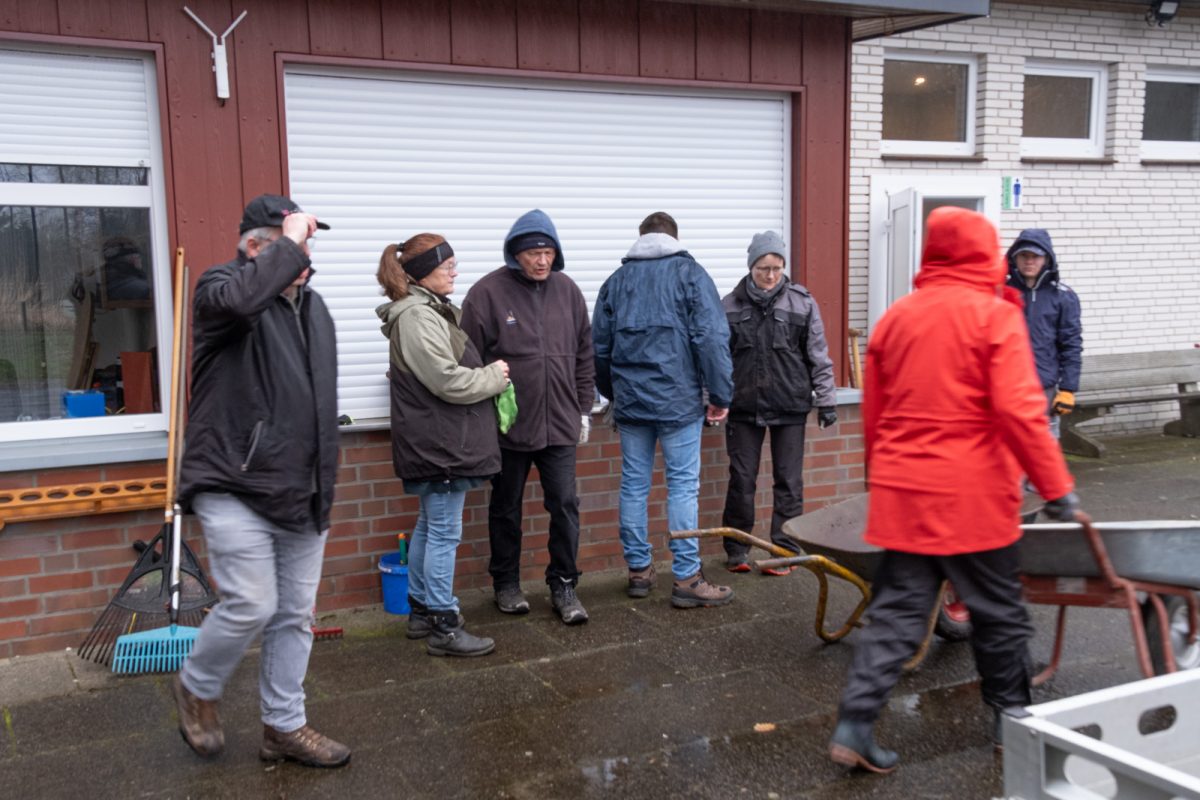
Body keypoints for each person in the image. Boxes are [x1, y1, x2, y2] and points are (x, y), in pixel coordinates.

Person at [828, 207, 1083, 774]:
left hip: (906, 493)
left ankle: (854, 725)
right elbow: (1021, 414)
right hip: (973, 499)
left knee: (896, 614)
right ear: (982, 255)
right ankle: (1011, 722)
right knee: (1000, 613)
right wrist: (1057, 487)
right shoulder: (993, 317)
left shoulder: (898, 317)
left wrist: (882, 481)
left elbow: (875, 415)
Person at [173, 194, 350, 768]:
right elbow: (246, 296)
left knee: (294, 614)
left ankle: (284, 727)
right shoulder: (220, 290)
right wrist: (284, 250)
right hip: (233, 480)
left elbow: (320, 402)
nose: (306, 253)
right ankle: (198, 684)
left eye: (307, 242)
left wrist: (325, 480)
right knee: (251, 601)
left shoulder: (314, 308)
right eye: (293, 241)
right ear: (255, 247)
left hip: (301, 488)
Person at [376, 232, 510, 657]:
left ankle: (420, 611)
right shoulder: (417, 317)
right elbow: (445, 380)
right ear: (421, 272)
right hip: (441, 444)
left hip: (437, 441)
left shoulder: (428, 311)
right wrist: (494, 376)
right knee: (445, 532)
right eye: (447, 265)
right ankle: (444, 624)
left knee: (431, 526)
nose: (455, 271)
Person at [593, 211, 735, 609]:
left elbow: (599, 349)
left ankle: (639, 570)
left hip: (633, 403)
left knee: (634, 484)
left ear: (641, 239)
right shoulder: (691, 275)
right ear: (674, 238)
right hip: (679, 402)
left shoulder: (616, 283)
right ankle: (687, 577)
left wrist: (614, 393)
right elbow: (711, 338)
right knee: (682, 486)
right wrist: (720, 395)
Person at [461, 210, 595, 625]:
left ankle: (564, 584)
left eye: (548, 251)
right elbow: (468, 360)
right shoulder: (487, 294)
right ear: (515, 254)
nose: (542, 261)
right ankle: (506, 583)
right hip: (508, 426)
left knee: (565, 505)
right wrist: (482, 416)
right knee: (505, 508)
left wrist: (584, 408)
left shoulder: (567, 291)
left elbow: (584, 354)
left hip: (560, 423)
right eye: (534, 252)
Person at [720, 231, 838, 575]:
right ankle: (737, 548)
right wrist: (710, 401)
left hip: (790, 405)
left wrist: (827, 400)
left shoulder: (802, 304)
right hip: (743, 407)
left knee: (788, 480)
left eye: (776, 267)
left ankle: (783, 550)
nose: (770, 275)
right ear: (750, 267)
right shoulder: (729, 306)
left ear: (784, 266)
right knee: (742, 479)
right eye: (762, 268)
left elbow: (818, 355)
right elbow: (716, 360)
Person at [1005, 229, 1082, 438]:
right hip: (1005, 386)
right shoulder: (1000, 293)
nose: (1029, 261)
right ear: (1015, 258)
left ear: (1046, 258)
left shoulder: (1063, 297)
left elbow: (1071, 344)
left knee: (1044, 444)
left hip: (1043, 385)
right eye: (1024, 256)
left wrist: (1068, 388)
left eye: (1035, 256)